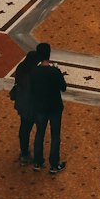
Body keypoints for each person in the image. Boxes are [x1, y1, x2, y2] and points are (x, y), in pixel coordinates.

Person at [31, 41, 67, 172]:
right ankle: (54, 164)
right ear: (49, 55)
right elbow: (63, 88)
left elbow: (32, 89)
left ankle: (38, 162)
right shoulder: (54, 71)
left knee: (39, 134)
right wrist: (59, 74)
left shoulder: (34, 72)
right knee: (55, 135)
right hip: (55, 107)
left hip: (40, 107)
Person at [12, 47, 38, 163]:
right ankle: (32, 154)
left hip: (22, 103)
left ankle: (24, 152)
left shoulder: (21, 67)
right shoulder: (33, 74)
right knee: (36, 128)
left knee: (24, 128)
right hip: (32, 105)